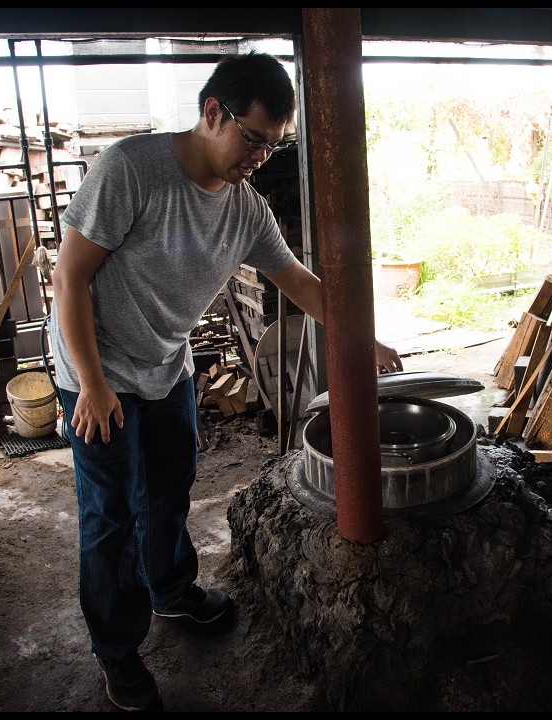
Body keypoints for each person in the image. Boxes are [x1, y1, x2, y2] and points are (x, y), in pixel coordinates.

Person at [49, 50, 403, 712]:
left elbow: (298, 281)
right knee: (111, 511)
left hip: (163, 363)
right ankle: (117, 649)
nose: (259, 157)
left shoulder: (245, 209)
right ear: (213, 112)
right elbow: (68, 277)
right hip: (94, 367)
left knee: (171, 485)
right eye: (253, 139)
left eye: (271, 147)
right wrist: (93, 385)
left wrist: (362, 339)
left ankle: (171, 589)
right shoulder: (131, 170)